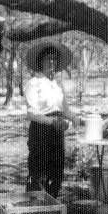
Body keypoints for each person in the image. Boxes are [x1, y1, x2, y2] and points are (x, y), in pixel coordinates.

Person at [24, 49, 78, 198]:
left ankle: (52, 206)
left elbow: (65, 109)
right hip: (40, 130)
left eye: (54, 59)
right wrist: (51, 121)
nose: (51, 62)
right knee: (38, 171)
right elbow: (31, 113)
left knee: (56, 170)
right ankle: (34, 209)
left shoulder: (57, 85)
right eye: (48, 59)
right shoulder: (33, 84)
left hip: (57, 129)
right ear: (40, 62)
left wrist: (74, 118)